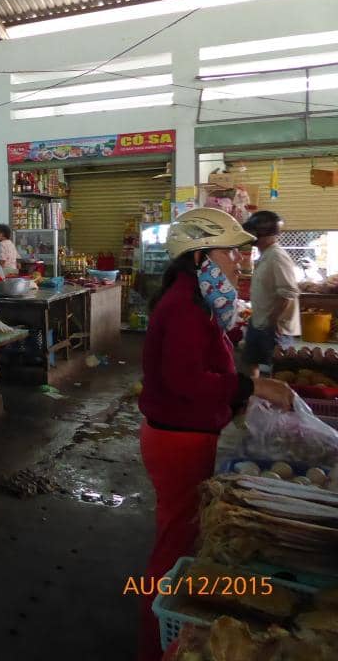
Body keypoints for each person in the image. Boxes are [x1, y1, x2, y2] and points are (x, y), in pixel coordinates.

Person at [136, 207, 294, 661]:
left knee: (182, 536)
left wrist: (241, 351)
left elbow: (210, 356)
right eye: (231, 253)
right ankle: (153, 641)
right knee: (173, 544)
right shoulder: (184, 305)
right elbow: (187, 380)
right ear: (201, 257)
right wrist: (250, 385)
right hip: (177, 440)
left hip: (188, 432)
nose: (240, 262)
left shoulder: (200, 298)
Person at [242, 211, 300, 374]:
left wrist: (274, 321)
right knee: (250, 362)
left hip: (273, 326)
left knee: (279, 372)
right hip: (259, 321)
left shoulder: (277, 256)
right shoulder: (265, 255)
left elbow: (288, 293)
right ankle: (254, 397)